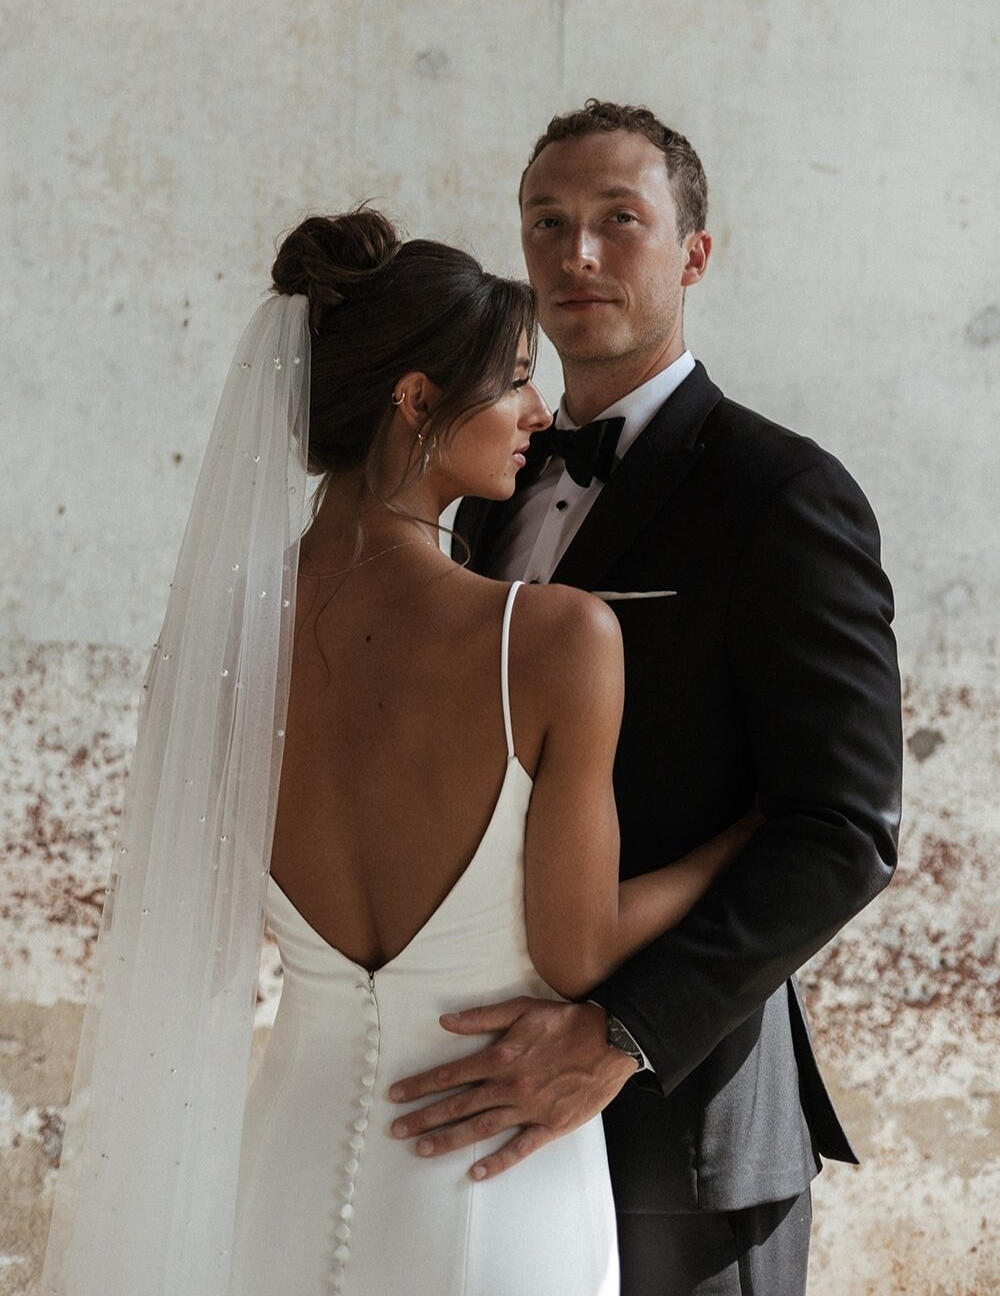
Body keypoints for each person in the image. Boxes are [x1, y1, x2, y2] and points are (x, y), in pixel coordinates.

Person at [39, 207, 759, 1296]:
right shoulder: (553, 636)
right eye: (514, 377)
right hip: (490, 1175)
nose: (535, 407)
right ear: (416, 399)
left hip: (276, 1171)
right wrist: (743, 834)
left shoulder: (216, 644)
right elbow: (576, 954)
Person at [386, 101, 904, 1295]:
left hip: (686, 1127)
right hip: (478, 1105)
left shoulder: (783, 493)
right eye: (548, 223)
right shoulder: (484, 498)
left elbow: (840, 828)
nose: (577, 255)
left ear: (691, 254)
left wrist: (620, 1036)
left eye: (619, 221)